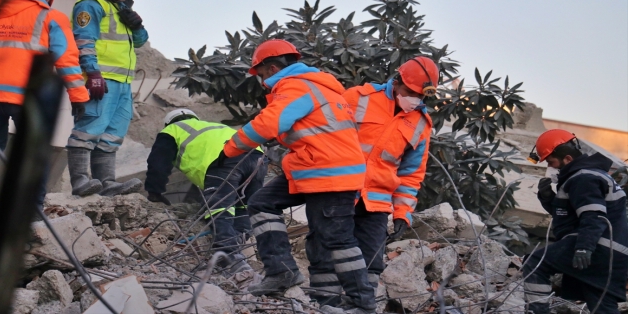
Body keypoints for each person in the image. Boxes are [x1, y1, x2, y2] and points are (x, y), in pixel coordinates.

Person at [221, 39, 376, 314]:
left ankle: (361, 304)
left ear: (271, 68)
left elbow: (270, 122)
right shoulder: (319, 86)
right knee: (262, 203)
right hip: (313, 168)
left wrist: (230, 150)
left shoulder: (297, 85)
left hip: (329, 172)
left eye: (259, 75)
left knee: (337, 239)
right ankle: (286, 275)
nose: (260, 81)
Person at [307, 57, 436, 309]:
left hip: (376, 202)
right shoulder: (358, 97)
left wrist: (402, 213)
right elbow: (324, 135)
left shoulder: (421, 123)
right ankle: (324, 304)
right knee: (325, 253)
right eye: (410, 92)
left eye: (420, 96)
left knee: (371, 262)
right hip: (339, 191)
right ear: (396, 83)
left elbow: (411, 174)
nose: (414, 99)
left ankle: (360, 307)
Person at [0, 0, 89, 206]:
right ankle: (34, 206)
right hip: (26, 95)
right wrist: (78, 96)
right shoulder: (51, 16)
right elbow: (67, 60)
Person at [144, 108, 267, 274]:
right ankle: (240, 248)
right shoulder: (213, 126)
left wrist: (154, 191)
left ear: (168, 123)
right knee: (244, 206)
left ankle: (228, 255)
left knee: (219, 207)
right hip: (257, 158)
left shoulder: (172, 130)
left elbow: (158, 163)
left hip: (225, 160)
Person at [66, 0, 148, 197]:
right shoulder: (91, 5)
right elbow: (84, 41)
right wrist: (92, 73)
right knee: (88, 128)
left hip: (122, 83)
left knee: (112, 135)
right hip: (101, 79)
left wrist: (137, 25)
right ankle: (81, 181)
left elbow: (140, 42)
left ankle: (107, 183)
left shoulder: (121, 8)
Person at [523, 129, 627, 313]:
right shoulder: (591, 174)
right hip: (613, 253)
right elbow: (573, 215)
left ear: (568, 159)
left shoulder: (583, 178)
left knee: (535, 263)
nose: (553, 167)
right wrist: (549, 199)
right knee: (601, 303)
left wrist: (584, 248)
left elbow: (593, 215)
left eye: (551, 161)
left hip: (597, 246)